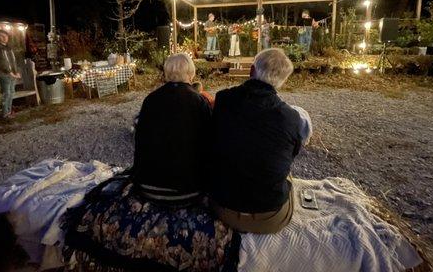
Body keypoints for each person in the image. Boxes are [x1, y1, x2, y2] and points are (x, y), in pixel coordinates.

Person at [207, 48, 312, 234]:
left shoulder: (223, 100)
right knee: (286, 174)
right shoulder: (291, 118)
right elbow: (290, 156)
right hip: (269, 216)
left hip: (221, 206)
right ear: (282, 81)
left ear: (251, 71)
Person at [133, 53, 211, 202]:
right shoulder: (199, 101)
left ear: (166, 73)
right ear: (191, 73)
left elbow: (140, 140)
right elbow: (209, 143)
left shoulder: (151, 99)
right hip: (189, 190)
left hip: (147, 186)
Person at [0, 30, 20, 118]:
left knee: (11, 92)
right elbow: (1, 62)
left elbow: (14, 61)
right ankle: (5, 113)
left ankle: (9, 111)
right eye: (1, 36)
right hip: (4, 74)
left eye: (6, 36)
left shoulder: (9, 48)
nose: (4, 38)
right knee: (6, 93)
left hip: (13, 73)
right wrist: (10, 73)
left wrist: (17, 71)